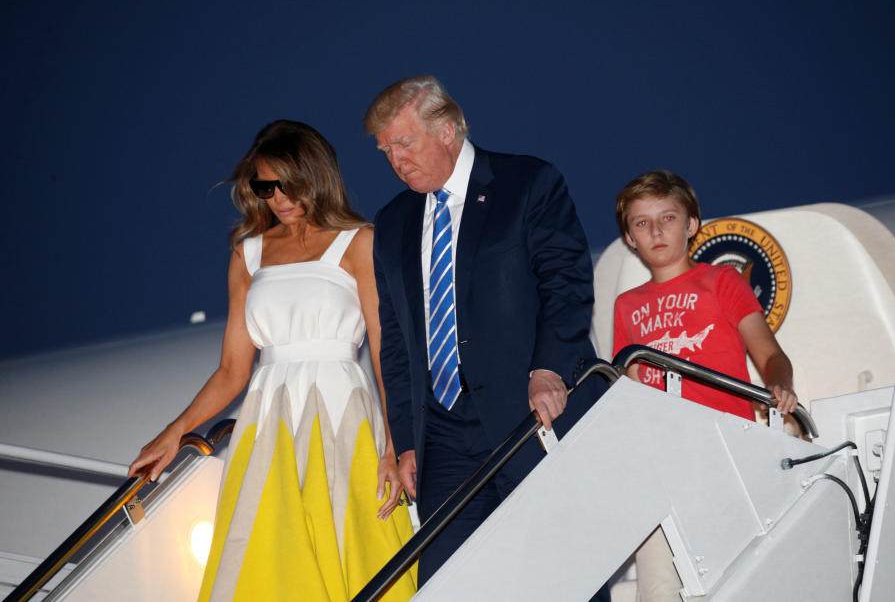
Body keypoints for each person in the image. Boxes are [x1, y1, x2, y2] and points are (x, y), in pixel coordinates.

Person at [128, 120, 416, 602]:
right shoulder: (249, 253)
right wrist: (175, 431)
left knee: (360, 547)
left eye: (289, 184)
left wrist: (394, 443)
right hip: (268, 419)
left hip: (344, 411)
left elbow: (389, 354)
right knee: (266, 550)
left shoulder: (358, 241)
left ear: (316, 178)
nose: (278, 197)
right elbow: (232, 370)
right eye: (266, 185)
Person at [364, 75, 606, 594]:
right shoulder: (392, 222)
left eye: (404, 143)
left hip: (532, 414)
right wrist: (406, 441)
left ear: (447, 128)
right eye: (386, 152)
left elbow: (567, 286)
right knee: (452, 584)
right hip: (444, 439)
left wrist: (548, 368)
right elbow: (397, 341)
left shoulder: (528, 183)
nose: (396, 161)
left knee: (564, 577)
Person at [611, 169, 798, 602]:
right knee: (657, 587)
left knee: (735, 577)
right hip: (661, 464)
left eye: (668, 218)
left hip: (724, 451)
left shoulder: (722, 281)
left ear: (692, 224)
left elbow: (769, 353)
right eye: (642, 222)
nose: (656, 231)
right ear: (628, 238)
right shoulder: (627, 305)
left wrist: (780, 383)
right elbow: (629, 387)